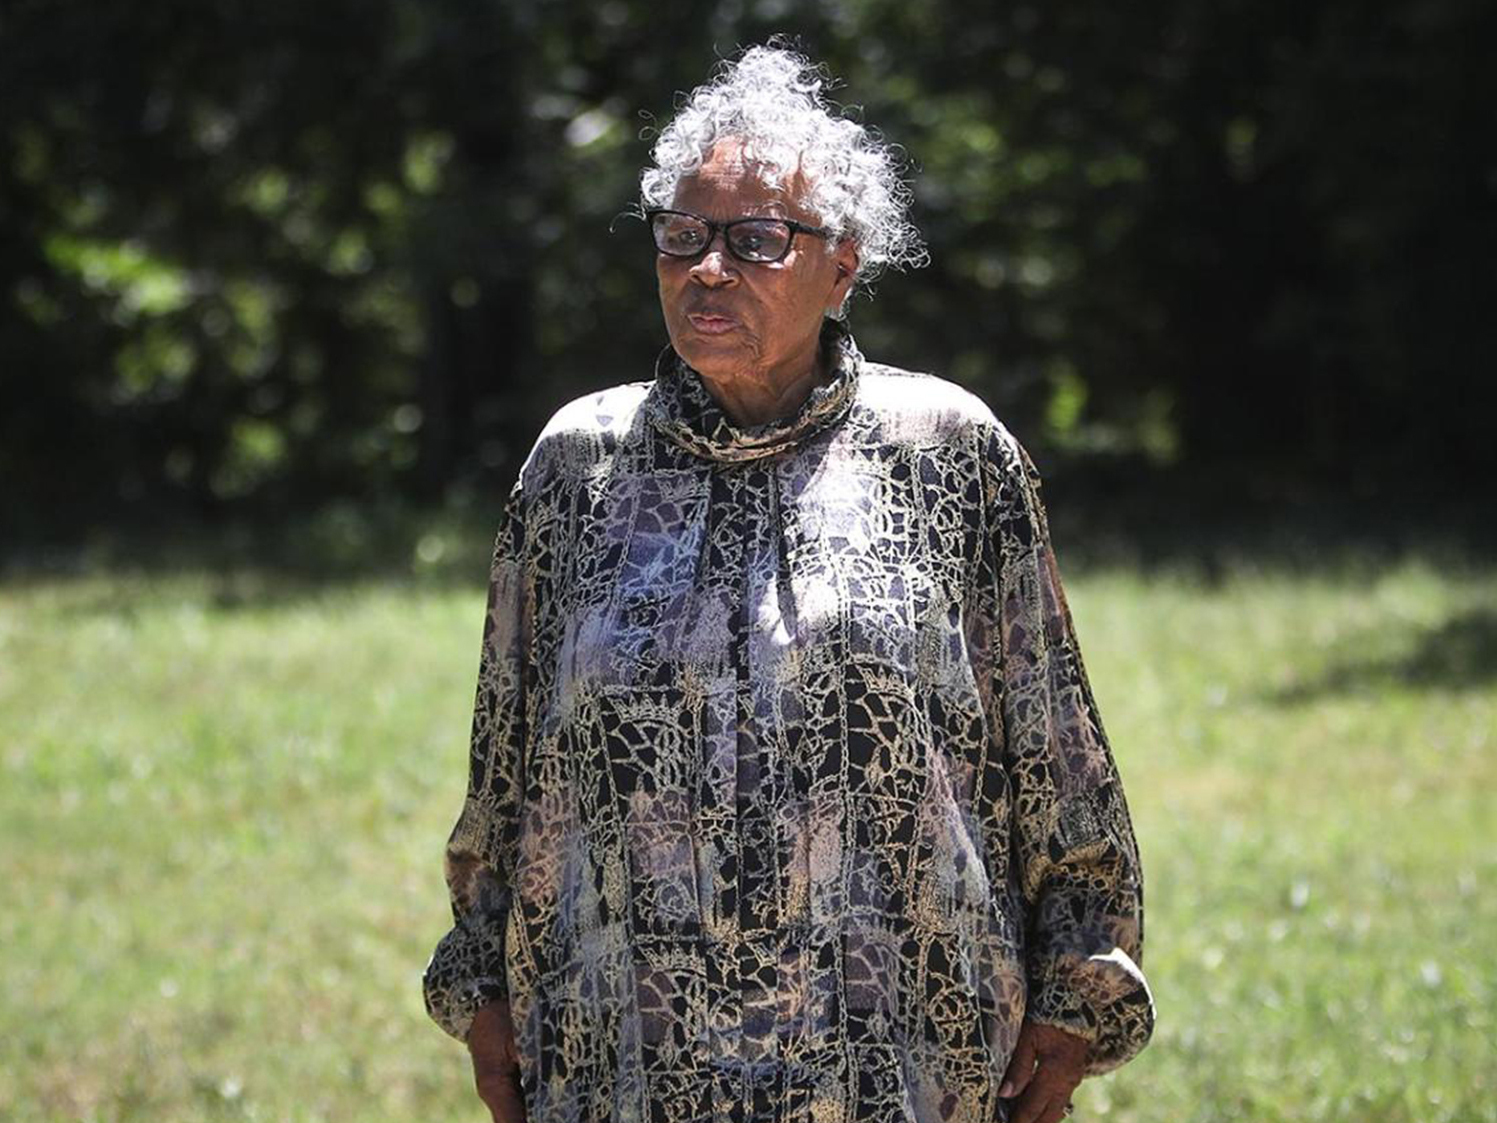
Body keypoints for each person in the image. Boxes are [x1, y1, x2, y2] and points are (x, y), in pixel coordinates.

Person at [422, 43, 1155, 1123]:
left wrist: (1082, 985)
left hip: (901, 1061)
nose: (708, 269)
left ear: (843, 264)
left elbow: (1056, 749)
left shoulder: (948, 451)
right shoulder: (576, 464)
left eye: (757, 241)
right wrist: (482, 986)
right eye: (683, 238)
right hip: (626, 1055)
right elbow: (506, 768)